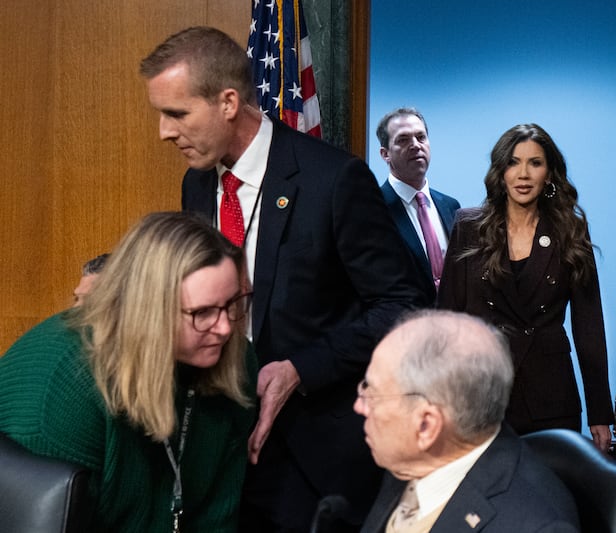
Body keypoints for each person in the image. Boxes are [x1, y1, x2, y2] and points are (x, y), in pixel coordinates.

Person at [140, 27, 427, 532]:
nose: (164, 131)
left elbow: (404, 307)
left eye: (177, 114)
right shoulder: (197, 183)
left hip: (313, 459)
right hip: (222, 447)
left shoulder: (334, 179)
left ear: (229, 102)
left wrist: (301, 368)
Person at [0, 211, 257, 532]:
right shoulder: (67, 385)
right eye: (202, 312)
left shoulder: (234, 360)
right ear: (147, 309)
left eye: (232, 304)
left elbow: (218, 517)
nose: (224, 328)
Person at [437, 123, 614, 453]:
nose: (523, 174)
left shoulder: (570, 231)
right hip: (482, 394)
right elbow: (447, 321)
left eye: (535, 163)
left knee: (551, 486)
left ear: (549, 174)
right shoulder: (469, 226)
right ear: (501, 171)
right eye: (513, 162)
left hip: (550, 397)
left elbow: (589, 325)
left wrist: (600, 412)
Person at [356, 309, 580, 532]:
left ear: (426, 426)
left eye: (371, 394)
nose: (359, 406)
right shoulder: (408, 460)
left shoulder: (534, 526)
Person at [376, 108, 460, 302]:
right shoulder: (373, 209)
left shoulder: (451, 206)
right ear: (385, 154)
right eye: (403, 139)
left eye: (421, 137)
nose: (415, 145)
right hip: (403, 318)